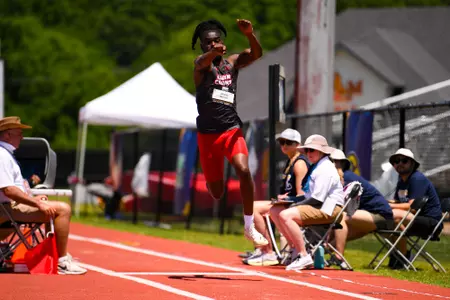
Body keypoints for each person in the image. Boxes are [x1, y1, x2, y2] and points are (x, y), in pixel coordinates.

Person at [192, 19, 267, 246]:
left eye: (216, 40)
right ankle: (212, 181)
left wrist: (250, 34)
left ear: (222, 42)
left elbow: (255, 54)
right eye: (207, 42)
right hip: (208, 136)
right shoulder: (201, 67)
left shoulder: (232, 63)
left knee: (243, 170)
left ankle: (248, 226)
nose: (212, 44)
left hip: (231, 129)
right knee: (216, 192)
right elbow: (202, 62)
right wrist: (211, 54)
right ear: (202, 46)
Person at [0, 116, 87, 275]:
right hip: (6, 210)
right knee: (63, 209)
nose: (22, 137)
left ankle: (54, 256)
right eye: (18, 133)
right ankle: (61, 261)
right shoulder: (2, 155)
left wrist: (34, 199)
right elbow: (9, 190)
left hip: (8, 208)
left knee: (52, 208)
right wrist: (36, 203)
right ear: (6, 135)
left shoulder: (6, 153)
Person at [272, 135, 344, 271]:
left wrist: (295, 205)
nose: (309, 153)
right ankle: (294, 249)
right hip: (321, 207)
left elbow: (317, 199)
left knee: (287, 215)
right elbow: (309, 196)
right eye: (308, 150)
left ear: (322, 151)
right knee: (276, 211)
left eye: (312, 150)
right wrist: (289, 200)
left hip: (330, 209)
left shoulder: (325, 169)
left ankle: (303, 255)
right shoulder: (317, 166)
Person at [244, 129, 310, 266]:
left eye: (288, 142)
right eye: (282, 142)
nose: (284, 145)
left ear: (298, 144)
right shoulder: (291, 161)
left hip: (294, 205)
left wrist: (286, 199)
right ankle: (264, 249)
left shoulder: (299, 163)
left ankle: (268, 251)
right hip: (285, 202)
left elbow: (301, 194)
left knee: (253, 207)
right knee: (252, 206)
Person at [330, 149, 394, 269]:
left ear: (342, 164)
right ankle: (321, 252)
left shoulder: (346, 178)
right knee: (338, 231)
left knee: (340, 217)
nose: (333, 164)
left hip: (381, 217)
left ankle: (339, 258)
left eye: (336, 162)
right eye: (331, 161)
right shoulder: (342, 177)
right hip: (367, 215)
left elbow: (340, 206)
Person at [388, 148, 442, 267]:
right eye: (396, 161)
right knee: (386, 220)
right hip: (412, 218)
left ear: (412, 163)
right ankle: (400, 255)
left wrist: (390, 206)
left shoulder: (417, 179)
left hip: (431, 222)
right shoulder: (401, 181)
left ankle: (402, 256)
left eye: (404, 160)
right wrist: (385, 202)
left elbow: (412, 207)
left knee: (394, 218)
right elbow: (400, 201)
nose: (399, 164)